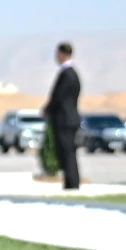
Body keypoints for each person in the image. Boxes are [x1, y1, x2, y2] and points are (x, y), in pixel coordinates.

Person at [43, 43, 82, 191]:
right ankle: (70, 182)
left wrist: (48, 109)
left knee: (67, 152)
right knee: (67, 151)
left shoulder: (67, 74)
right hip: (69, 118)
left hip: (65, 119)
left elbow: (59, 97)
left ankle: (72, 183)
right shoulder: (72, 74)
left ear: (61, 54)